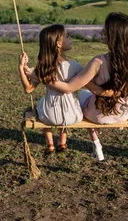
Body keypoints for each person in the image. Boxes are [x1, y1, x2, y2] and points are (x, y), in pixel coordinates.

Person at [47, 12, 128, 161]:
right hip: (123, 112)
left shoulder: (98, 62)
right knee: (91, 94)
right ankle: (97, 141)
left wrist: (44, 78)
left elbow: (68, 88)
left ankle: (95, 141)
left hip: (99, 115)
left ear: (114, 37)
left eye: (105, 31)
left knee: (83, 98)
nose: (101, 32)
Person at [19, 24, 100, 154]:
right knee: (69, 103)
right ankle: (62, 141)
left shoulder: (43, 67)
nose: (70, 38)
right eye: (67, 36)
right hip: (74, 116)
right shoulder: (74, 66)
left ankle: (49, 143)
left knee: (42, 103)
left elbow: (28, 89)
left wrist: (21, 68)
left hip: (49, 116)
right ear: (58, 44)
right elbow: (90, 87)